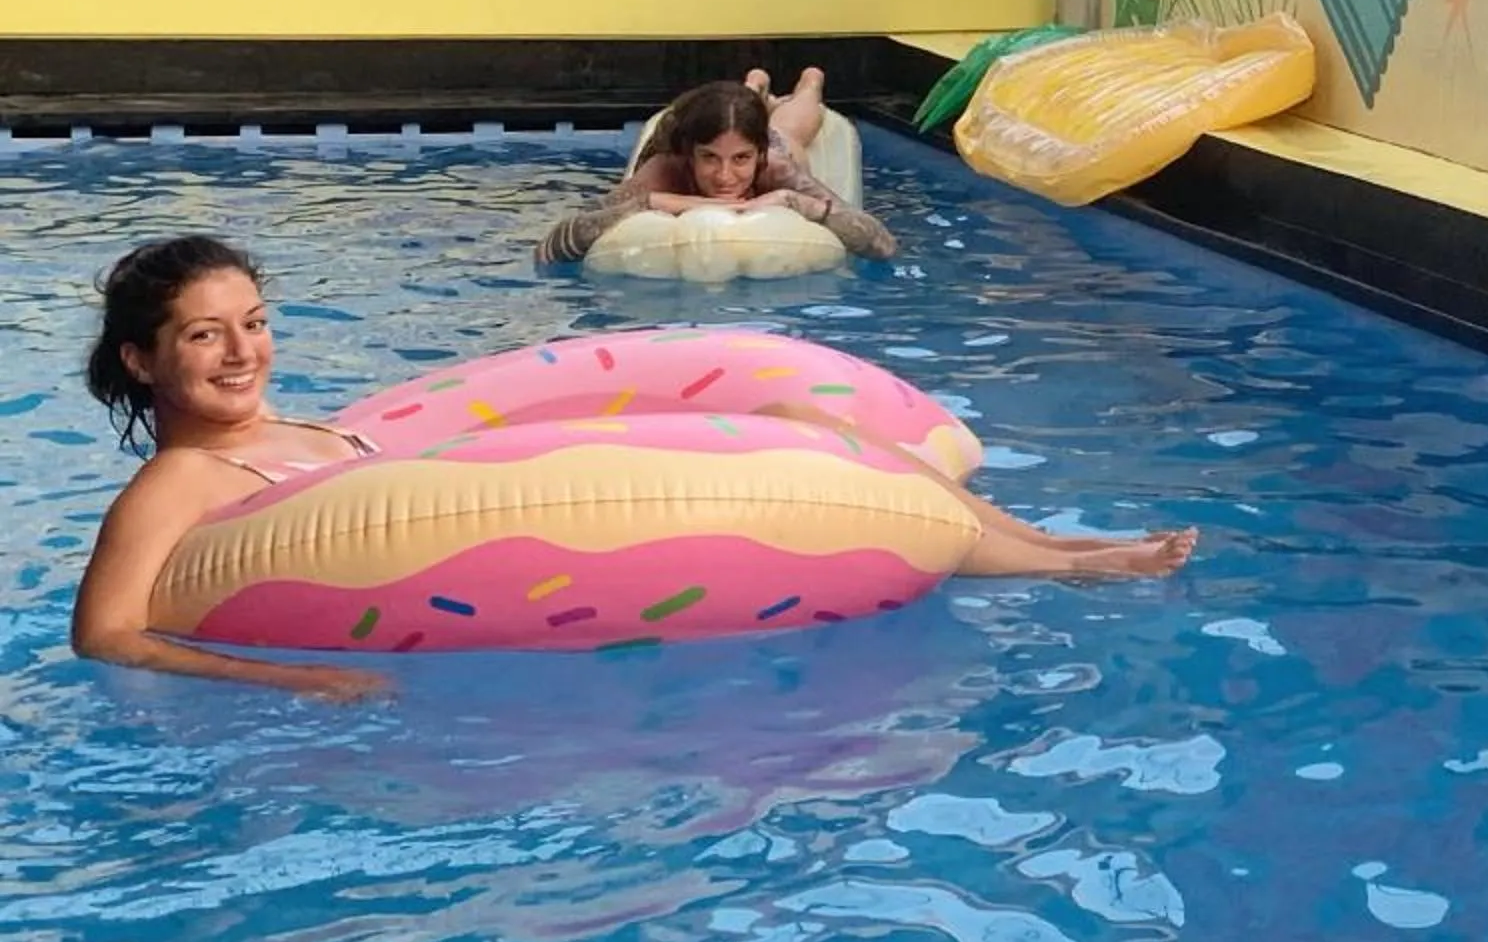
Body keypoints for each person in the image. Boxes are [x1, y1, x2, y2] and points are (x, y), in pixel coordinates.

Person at [72, 235, 1199, 701]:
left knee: (855, 451)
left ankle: (1057, 548)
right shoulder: (173, 486)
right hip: (312, 660)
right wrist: (300, 684)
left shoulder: (311, 429)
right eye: (204, 336)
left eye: (254, 323)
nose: (241, 352)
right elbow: (105, 634)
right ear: (144, 359)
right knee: (841, 483)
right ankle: (1065, 565)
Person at [537, 66, 898, 265]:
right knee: (734, 121)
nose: (725, 177)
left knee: (788, 130)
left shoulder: (773, 167)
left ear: (756, 155)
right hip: (689, 151)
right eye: (709, 157)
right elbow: (552, 247)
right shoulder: (665, 170)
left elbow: (882, 244)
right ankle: (753, 86)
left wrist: (791, 200)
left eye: (740, 159)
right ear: (690, 154)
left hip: (774, 142)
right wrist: (657, 202)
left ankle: (810, 82)